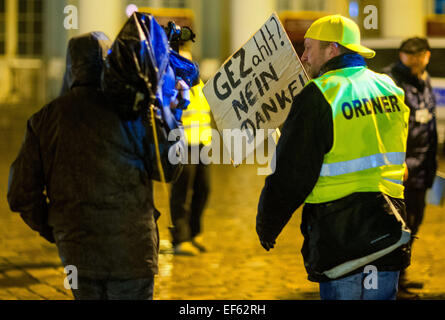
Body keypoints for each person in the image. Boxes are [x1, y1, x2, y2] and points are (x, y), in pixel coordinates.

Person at [7, 13, 197, 300]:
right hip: (133, 254)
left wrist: (55, 227)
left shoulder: (43, 120)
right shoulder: (135, 111)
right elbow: (169, 170)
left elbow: (20, 193)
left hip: (76, 253)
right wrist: (173, 118)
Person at [256, 15, 412, 300]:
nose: (303, 57)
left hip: (341, 237)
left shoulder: (319, 95)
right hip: (389, 229)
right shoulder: (390, 89)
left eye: (308, 48)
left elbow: (291, 174)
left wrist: (268, 224)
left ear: (333, 49)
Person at [383, 37, 438, 298]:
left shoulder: (425, 80)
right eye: (408, 54)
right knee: (397, 229)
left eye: (418, 54)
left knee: (414, 224)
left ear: (427, 55)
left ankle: (401, 277)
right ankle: (391, 284)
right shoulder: (391, 81)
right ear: (401, 55)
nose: (413, 59)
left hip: (422, 168)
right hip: (401, 170)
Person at [169, 48, 212, 256]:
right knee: (181, 192)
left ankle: (195, 233)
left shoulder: (200, 85)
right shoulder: (173, 85)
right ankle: (180, 239)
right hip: (182, 145)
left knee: (203, 189)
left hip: (202, 144)